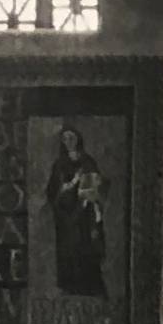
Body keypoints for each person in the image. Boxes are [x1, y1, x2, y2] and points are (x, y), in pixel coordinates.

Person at [44, 124, 108, 298]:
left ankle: (89, 284)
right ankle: (70, 285)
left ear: (78, 139)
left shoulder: (88, 162)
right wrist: (69, 185)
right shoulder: (59, 164)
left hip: (84, 213)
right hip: (65, 216)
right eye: (65, 139)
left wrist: (93, 193)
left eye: (71, 137)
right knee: (68, 249)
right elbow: (52, 191)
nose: (68, 142)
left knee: (85, 246)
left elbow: (97, 185)